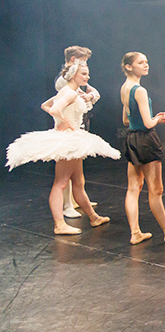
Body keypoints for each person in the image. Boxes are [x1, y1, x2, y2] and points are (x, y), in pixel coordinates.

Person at [7, 61, 117, 234]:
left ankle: (94, 217)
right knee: (61, 182)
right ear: (73, 75)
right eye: (84, 74)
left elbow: (45, 105)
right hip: (69, 140)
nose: (87, 77)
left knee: (78, 182)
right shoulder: (70, 94)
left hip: (73, 138)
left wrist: (62, 121)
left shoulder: (67, 92)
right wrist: (65, 123)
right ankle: (59, 224)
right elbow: (54, 109)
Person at [119, 52, 165, 246]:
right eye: (141, 62)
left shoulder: (124, 88)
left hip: (132, 138)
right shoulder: (139, 90)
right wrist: (158, 119)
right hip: (146, 140)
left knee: (133, 188)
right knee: (156, 190)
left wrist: (149, 119)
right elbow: (148, 123)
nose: (146, 65)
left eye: (147, 61)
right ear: (129, 66)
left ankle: (135, 232)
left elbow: (125, 119)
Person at [55, 46, 101, 219]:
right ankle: (67, 205)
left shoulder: (77, 78)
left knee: (76, 169)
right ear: (74, 59)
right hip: (69, 127)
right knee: (65, 171)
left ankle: (77, 199)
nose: (86, 69)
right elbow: (56, 104)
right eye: (84, 62)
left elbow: (94, 93)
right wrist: (66, 122)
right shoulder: (64, 80)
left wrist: (89, 96)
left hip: (78, 123)